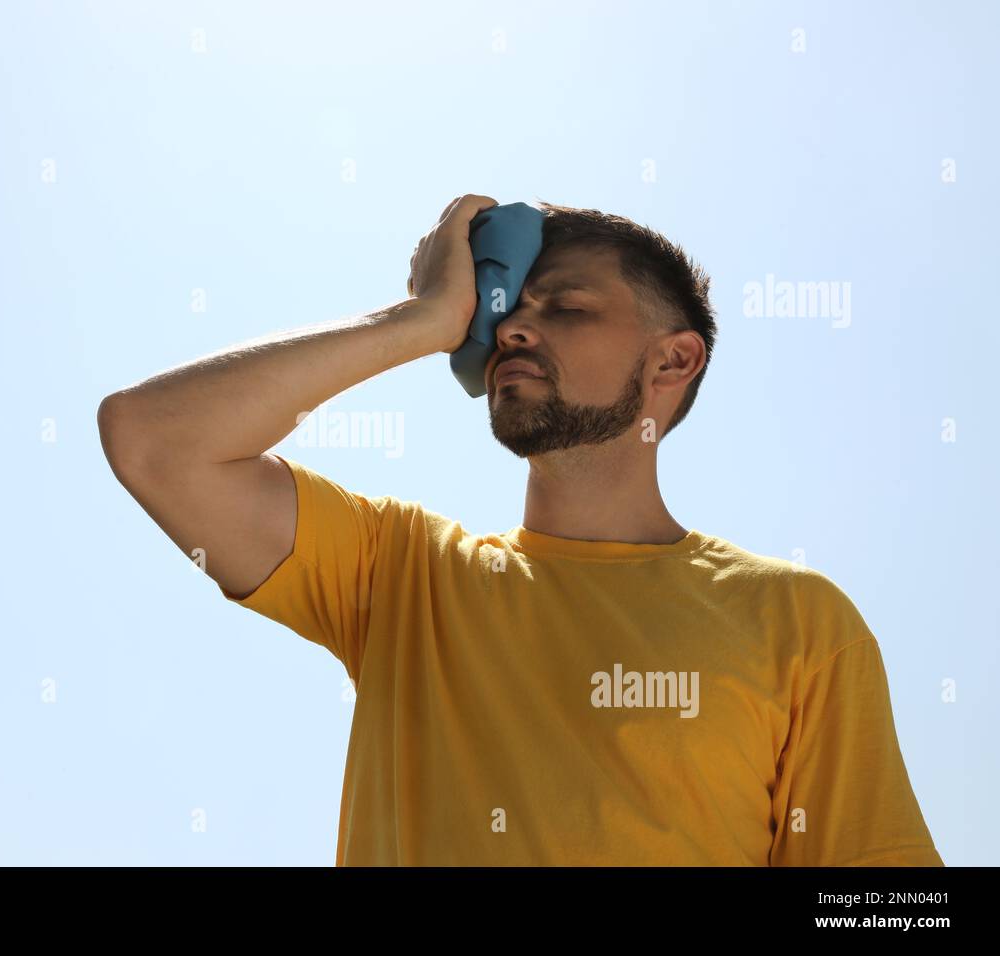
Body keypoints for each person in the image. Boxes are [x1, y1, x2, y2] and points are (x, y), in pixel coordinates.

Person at [97, 195, 943, 867]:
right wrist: (420, 321)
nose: (512, 328)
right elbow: (154, 441)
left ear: (672, 362)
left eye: (567, 306)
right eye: (505, 310)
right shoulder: (403, 573)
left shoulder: (796, 621)